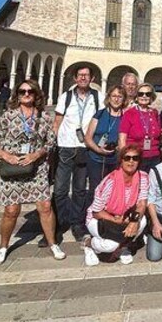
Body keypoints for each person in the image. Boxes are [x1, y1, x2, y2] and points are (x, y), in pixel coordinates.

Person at [0, 80, 64, 265]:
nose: (26, 94)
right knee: (11, 210)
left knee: (45, 207)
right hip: (11, 169)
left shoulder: (44, 117)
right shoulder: (8, 116)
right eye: (22, 91)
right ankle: (3, 247)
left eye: (30, 91)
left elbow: (50, 142)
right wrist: (8, 156)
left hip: (36, 168)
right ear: (17, 95)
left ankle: (53, 243)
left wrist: (37, 154)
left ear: (37, 94)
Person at [54, 65, 100, 241]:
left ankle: (76, 223)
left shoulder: (97, 97)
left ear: (92, 79)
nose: (83, 78)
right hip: (65, 147)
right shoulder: (65, 97)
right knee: (60, 189)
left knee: (80, 189)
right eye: (80, 75)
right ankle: (59, 222)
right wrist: (53, 143)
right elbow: (57, 122)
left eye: (86, 75)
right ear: (75, 78)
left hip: (84, 147)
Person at [82, 142, 148, 266]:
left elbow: (142, 203)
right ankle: (89, 243)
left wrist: (134, 221)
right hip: (101, 218)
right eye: (127, 158)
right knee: (110, 246)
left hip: (124, 216)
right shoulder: (110, 181)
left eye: (135, 158)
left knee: (142, 220)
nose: (131, 162)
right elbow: (96, 212)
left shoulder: (143, 177)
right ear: (121, 161)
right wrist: (113, 219)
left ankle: (123, 246)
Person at [83, 85, 127, 223]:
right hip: (96, 159)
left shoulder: (125, 117)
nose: (116, 99)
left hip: (114, 160)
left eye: (120, 96)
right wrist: (98, 149)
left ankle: (106, 218)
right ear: (109, 98)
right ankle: (89, 219)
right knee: (95, 190)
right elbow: (88, 138)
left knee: (112, 190)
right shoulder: (100, 114)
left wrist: (119, 149)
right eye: (114, 96)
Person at [118, 83, 162, 172]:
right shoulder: (129, 114)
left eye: (147, 94)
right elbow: (122, 139)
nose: (144, 96)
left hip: (155, 157)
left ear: (151, 97)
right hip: (136, 158)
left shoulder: (155, 113)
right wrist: (125, 159)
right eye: (141, 94)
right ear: (136, 97)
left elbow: (160, 133)